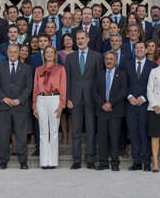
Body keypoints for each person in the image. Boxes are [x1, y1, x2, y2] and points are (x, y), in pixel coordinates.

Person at [65, 29, 103, 169]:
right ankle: (76, 160)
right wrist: (68, 98)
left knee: (91, 130)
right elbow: (67, 80)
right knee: (75, 130)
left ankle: (90, 159)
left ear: (88, 39)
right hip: (75, 98)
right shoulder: (70, 58)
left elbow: (100, 80)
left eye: (82, 38)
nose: (80, 41)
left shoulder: (97, 56)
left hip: (91, 98)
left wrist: (99, 99)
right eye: (78, 39)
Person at [0, 44, 32, 170]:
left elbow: (29, 86)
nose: (13, 54)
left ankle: (23, 161)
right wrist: (4, 98)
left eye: (15, 52)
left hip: (20, 106)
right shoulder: (0, 67)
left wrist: (19, 99)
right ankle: (3, 160)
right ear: (7, 53)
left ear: (19, 53)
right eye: (11, 52)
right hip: (4, 106)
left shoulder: (26, 68)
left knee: (21, 134)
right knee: (3, 135)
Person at [121, 41, 156, 171]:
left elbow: (154, 85)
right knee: (134, 133)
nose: (139, 50)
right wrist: (129, 96)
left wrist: (144, 97)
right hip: (130, 105)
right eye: (137, 48)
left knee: (145, 133)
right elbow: (124, 83)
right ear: (134, 50)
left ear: (147, 50)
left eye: (142, 48)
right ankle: (136, 161)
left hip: (145, 105)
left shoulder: (153, 65)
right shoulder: (127, 64)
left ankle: (147, 161)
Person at [92, 51, 128, 171]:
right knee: (102, 138)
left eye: (111, 59)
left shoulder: (122, 74)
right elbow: (94, 91)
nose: (108, 61)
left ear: (116, 61)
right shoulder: (99, 74)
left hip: (115, 111)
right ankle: (103, 163)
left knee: (114, 138)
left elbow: (123, 92)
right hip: (101, 111)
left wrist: (110, 103)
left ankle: (115, 163)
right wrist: (103, 104)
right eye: (106, 58)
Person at [32, 45, 67, 169]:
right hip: (41, 99)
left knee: (53, 131)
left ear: (55, 55)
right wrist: (34, 105)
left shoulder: (60, 69)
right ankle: (44, 161)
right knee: (43, 131)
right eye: (47, 52)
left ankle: (52, 161)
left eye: (52, 52)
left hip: (54, 99)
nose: (49, 54)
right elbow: (35, 88)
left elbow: (63, 87)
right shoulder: (38, 70)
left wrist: (62, 104)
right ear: (44, 54)